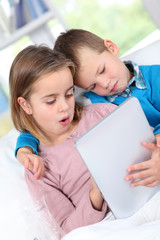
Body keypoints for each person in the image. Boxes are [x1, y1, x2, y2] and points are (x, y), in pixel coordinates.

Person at [16, 29, 160, 187]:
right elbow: (40, 126)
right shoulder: (91, 103)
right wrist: (24, 150)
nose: (105, 83)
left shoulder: (156, 76)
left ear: (111, 47)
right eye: (92, 85)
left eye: (102, 70)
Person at [9, 45, 117, 236]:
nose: (64, 106)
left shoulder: (100, 113)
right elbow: (67, 230)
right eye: (50, 101)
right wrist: (96, 192)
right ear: (26, 105)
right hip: (106, 228)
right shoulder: (39, 169)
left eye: (69, 94)